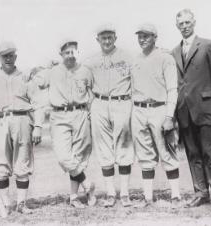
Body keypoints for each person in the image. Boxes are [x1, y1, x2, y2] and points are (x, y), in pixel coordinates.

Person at [0, 41, 44, 214]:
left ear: (16, 56)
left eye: (11, 55)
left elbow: (39, 104)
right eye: (4, 55)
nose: (8, 58)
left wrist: (38, 126)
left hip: (22, 120)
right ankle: (6, 203)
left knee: (23, 162)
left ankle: (21, 203)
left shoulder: (26, 77)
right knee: (0, 164)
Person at [171, 9, 211, 212]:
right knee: (193, 153)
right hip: (184, 112)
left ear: (194, 22)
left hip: (205, 109)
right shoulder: (174, 52)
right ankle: (201, 193)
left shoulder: (207, 45)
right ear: (176, 26)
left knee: (210, 153)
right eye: (181, 23)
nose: (185, 26)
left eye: (187, 22)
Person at [33, 39, 96, 209]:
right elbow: (37, 82)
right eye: (66, 52)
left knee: (79, 157)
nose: (70, 55)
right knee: (63, 156)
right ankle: (87, 184)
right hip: (59, 115)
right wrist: (47, 67)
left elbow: (93, 93)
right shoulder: (52, 71)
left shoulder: (85, 71)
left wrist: (92, 114)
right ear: (61, 54)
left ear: (77, 52)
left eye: (73, 51)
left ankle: (74, 197)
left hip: (81, 113)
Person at [84, 24, 134, 207]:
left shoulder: (127, 57)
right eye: (103, 37)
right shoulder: (90, 61)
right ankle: (111, 193)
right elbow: (83, 83)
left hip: (122, 102)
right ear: (97, 39)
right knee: (104, 150)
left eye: (110, 37)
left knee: (124, 148)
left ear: (115, 38)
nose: (106, 41)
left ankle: (125, 193)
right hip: (99, 103)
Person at [131, 24, 181, 208]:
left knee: (167, 151)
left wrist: (169, 116)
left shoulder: (165, 58)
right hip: (138, 109)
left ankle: (175, 196)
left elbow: (172, 89)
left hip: (159, 108)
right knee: (145, 155)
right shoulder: (135, 59)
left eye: (146, 36)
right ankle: (148, 198)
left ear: (155, 37)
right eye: (140, 36)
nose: (142, 39)